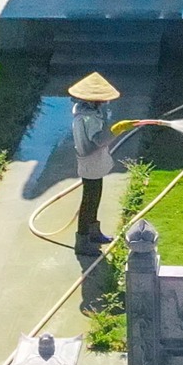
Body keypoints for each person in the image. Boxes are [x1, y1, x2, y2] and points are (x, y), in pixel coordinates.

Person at [68, 72, 121, 254]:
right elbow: (98, 139)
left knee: (95, 195)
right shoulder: (88, 117)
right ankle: (82, 241)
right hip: (90, 160)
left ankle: (93, 232)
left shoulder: (85, 110)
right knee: (89, 199)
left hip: (93, 160)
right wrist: (116, 130)